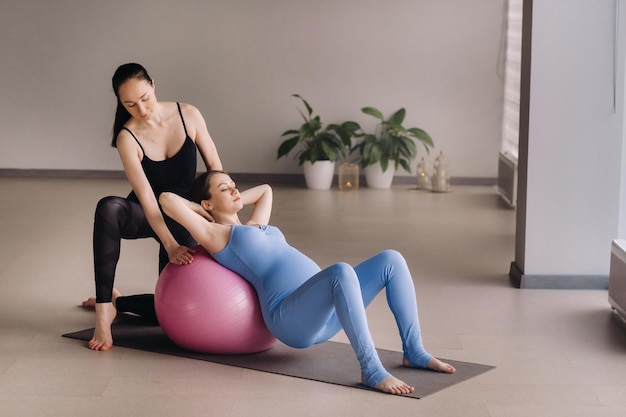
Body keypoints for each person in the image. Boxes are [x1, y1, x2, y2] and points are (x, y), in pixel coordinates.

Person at [158, 170, 455, 395]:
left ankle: (413, 351)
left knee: (392, 259)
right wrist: (202, 210)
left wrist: (229, 196)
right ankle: (372, 370)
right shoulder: (216, 235)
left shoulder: (254, 225)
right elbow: (166, 200)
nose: (235, 190)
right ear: (207, 202)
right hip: (289, 319)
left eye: (235, 184)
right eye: (226, 188)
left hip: (325, 312)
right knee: (340, 270)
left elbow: (265, 190)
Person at [88, 63, 223, 351]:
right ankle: (103, 310)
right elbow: (149, 200)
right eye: (130, 104)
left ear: (153, 84)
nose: (141, 109)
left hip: (184, 215)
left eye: (145, 98)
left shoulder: (188, 114)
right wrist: (171, 245)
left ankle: (117, 302)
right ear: (121, 104)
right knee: (108, 208)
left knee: (169, 313)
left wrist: (216, 220)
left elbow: (215, 171)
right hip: (145, 215)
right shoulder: (128, 137)